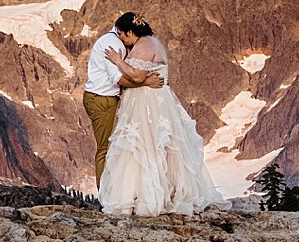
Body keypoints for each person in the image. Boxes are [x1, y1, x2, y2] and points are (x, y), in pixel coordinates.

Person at [96, 15, 226, 216]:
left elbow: (137, 76)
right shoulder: (152, 43)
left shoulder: (144, 45)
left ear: (131, 32)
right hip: (157, 101)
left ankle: (146, 198)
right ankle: (160, 194)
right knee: (158, 147)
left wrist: (118, 61)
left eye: (122, 35)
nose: (122, 39)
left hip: (146, 103)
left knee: (144, 147)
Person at [82, 11, 163, 184]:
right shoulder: (113, 45)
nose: (123, 39)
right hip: (102, 99)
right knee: (106, 148)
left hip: (108, 99)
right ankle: (105, 195)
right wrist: (145, 82)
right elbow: (118, 78)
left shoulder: (125, 43)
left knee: (117, 146)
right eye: (121, 35)